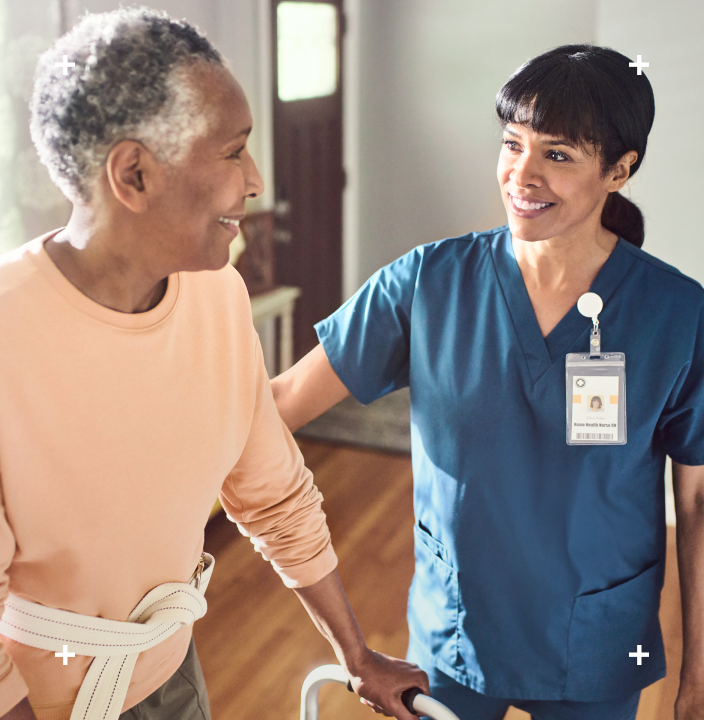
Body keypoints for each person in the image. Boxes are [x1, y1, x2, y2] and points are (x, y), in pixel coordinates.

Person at [0, 9, 428, 720]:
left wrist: (357, 656)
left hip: (174, 673)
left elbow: (275, 495)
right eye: (233, 152)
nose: (255, 180)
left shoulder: (216, 294)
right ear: (133, 174)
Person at [271, 45, 704, 720]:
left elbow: (698, 503)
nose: (521, 175)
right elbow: (280, 406)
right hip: (456, 633)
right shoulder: (425, 284)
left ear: (620, 170)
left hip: (595, 639)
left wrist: (699, 674)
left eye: (557, 154)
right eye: (512, 144)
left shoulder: (677, 315)